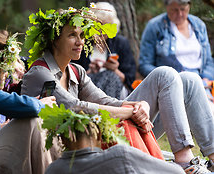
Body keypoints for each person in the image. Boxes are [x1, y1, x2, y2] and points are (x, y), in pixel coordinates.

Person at [20, 4, 214, 174]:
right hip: (73, 150)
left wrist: (141, 105)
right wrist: (130, 111)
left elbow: (104, 100)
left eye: (81, 35)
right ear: (54, 39)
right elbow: (76, 107)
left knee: (188, 79)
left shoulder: (76, 70)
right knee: (164, 73)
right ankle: (186, 162)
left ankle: (211, 159)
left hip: (97, 134)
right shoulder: (40, 72)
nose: (80, 42)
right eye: (72, 35)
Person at [41, 106, 185, 174]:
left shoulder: (53, 170)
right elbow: (177, 172)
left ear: (63, 141)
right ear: (99, 136)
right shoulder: (120, 156)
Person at [138, 0, 214, 117]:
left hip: (201, 82)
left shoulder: (199, 25)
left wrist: (206, 79)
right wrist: (169, 77)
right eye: (174, 10)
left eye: (183, 10)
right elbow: (144, 64)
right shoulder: (155, 26)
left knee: (208, 111)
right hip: (172, 83)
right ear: (167, 7)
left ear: (189, 6)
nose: (179, 14)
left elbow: (208, 60)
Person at [72, 2, 136, 99]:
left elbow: (130, 81)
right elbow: (72, 76)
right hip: (88, 89)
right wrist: (89, 72)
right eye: (98, 26)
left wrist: (115, 70)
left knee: (111, 76)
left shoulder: (120, 43)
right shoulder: (82, 43)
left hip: (116, 91)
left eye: (106, 26)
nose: (101, 31)